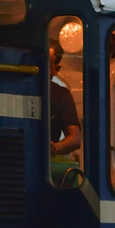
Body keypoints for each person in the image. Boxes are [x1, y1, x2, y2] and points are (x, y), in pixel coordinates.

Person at [48, 43, 83, 187]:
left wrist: (54, 148)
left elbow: (75, 138)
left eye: (46, 62)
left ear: (57, 68)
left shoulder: (60, 95)